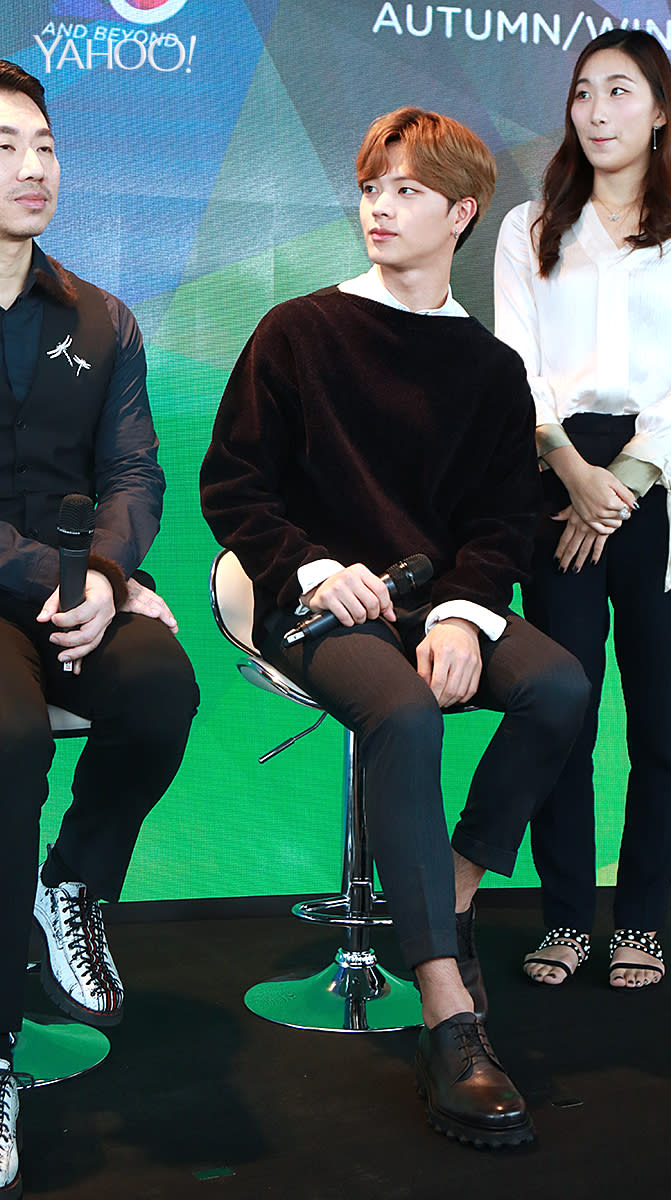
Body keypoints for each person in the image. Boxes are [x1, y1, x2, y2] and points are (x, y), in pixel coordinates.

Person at [201, 106, 588, 1148]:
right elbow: (233, 486)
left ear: (460, 213)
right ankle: (447, 1018)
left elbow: (502, 525)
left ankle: (450, 889)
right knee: (406, 716)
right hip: (304, 601)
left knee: (560, 689)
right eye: (373, 186)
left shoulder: (489, 369)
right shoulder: (298, 330)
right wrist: (316, 570)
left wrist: (463, 613)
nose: (379, 206)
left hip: (430, 597)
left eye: (407, 190)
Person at [493, 29, 671, 990]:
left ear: (661, 110)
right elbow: (516, 362)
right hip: (553, 472)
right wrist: (569, 468)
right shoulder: (529, 228)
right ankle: (565, 921)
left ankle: (639, 920)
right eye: (584, 93)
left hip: (664, 482)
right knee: (563, 707)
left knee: (660, 721)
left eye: (621, 92)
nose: (597, 112)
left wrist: (625, 483)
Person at [0, 61, 199, 1198]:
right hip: (18, 597)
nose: (32, 168)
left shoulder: (99, 314)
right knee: (13, 745)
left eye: (43, 145)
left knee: (162, 689)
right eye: (3, 146)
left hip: (77, 591)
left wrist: (113, 575)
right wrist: (58, 582)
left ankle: (71, 884)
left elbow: (133, 466)